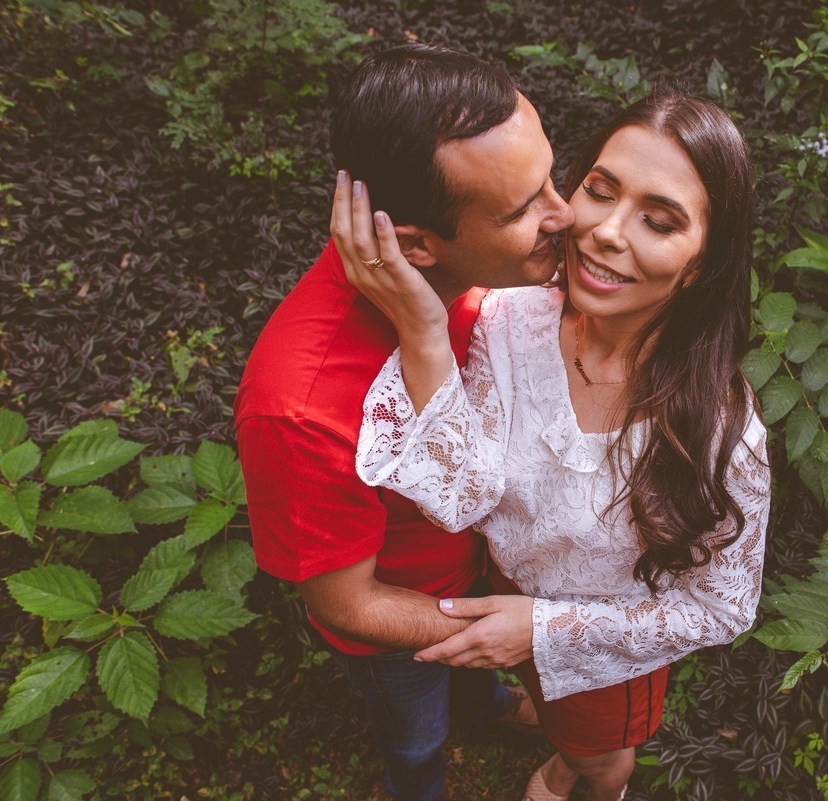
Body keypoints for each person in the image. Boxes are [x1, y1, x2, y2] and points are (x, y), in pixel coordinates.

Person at [338, 91, 770, 801]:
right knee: (559, 720)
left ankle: (580, 774)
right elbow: (462, 495)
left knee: (604, 756)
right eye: (599, 191)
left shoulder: (719, 434)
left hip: (606, 648)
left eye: (659, 221)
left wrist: (545, 629)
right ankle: (562, 747)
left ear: (700, 263)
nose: (605, 231)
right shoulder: (505, 321)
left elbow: (720, 607)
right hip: (504, 596)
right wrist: (422, 324)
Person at [233, 44, 574, 801]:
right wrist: (490, 633)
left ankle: (485, 704)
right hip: (402, 625)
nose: (567, 213)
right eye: (523, 209)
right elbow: (349, 602)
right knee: (418, 736)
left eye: (554, 175)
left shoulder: (475, 273)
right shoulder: (299, 408)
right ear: (415, 245)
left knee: (472, 692)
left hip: (478, 571)